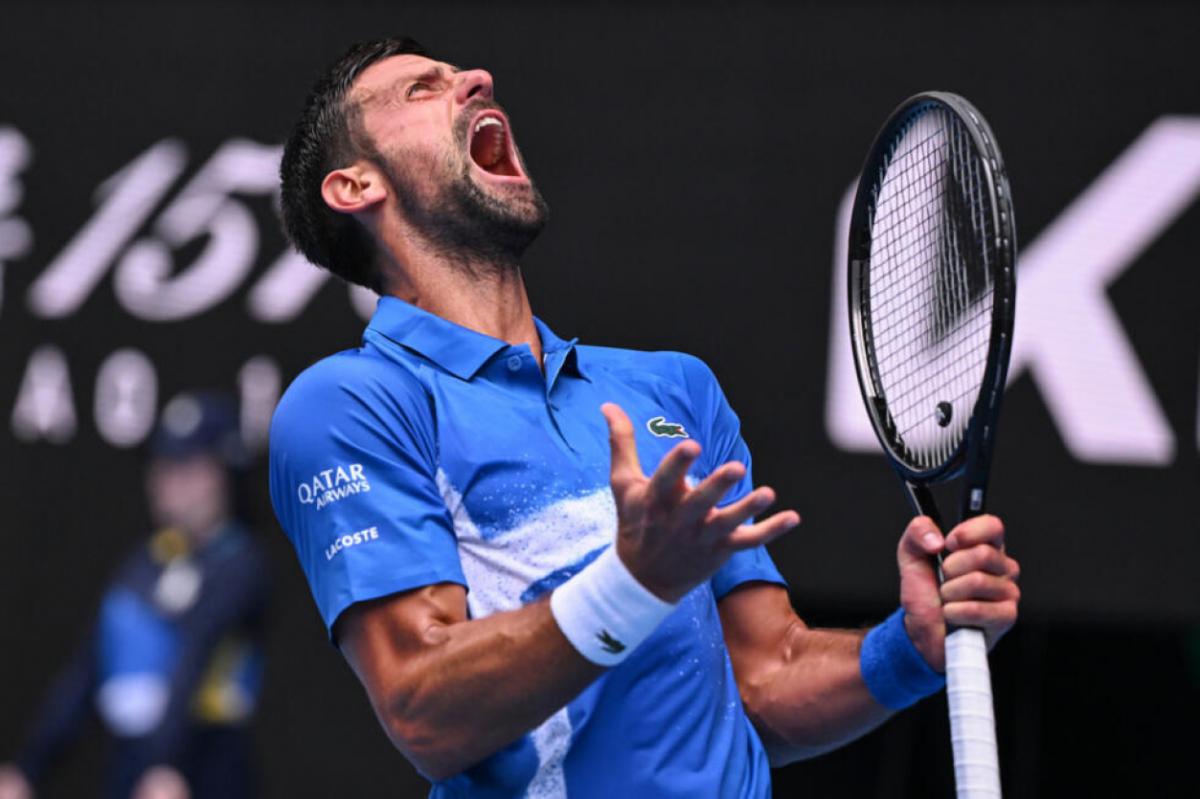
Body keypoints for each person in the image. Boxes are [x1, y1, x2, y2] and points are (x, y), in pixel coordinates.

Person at [267, 37, 1021, 798]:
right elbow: (424, 708)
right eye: (422, 89)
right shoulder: (352, 403)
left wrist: (909, 649)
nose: (476, 79)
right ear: (354, 185)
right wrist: (632, 582)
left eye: (460, 72)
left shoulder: (673, 388)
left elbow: (760, 682)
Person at [0, 393, 269, 799]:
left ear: (223, 474)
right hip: (131, 765)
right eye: (162, 464)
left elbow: (195, 655)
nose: (166, 481)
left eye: (187, 467)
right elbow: (89, 668)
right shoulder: (142, 561)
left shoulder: (241, 564)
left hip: (203, 764)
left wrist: (166, 766)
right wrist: (28, 769)